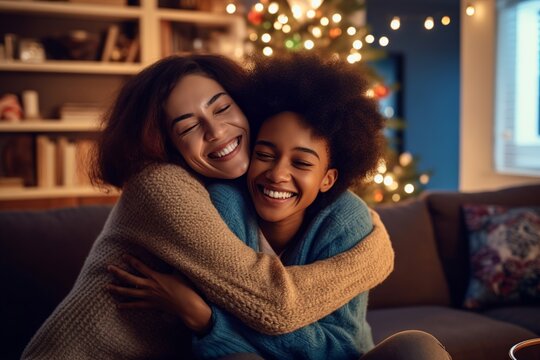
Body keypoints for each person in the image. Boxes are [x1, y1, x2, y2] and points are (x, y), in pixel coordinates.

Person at [22, 54, 394, 359]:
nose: (215, 132)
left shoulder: (230, 187)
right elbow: (274, 303)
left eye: (222, 108)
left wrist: (203, 317)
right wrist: (372, 257)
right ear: (165, 142)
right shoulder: (163, 186)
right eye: (187, 127)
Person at [110, 54, 452, 360]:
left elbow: (342, 347)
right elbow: (219, 348)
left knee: (417, 347)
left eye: (302, 163)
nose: (277, 174)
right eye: (264, 154)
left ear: (328, 179)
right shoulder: (221, 207)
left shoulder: (347, 221)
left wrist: (206, 319)